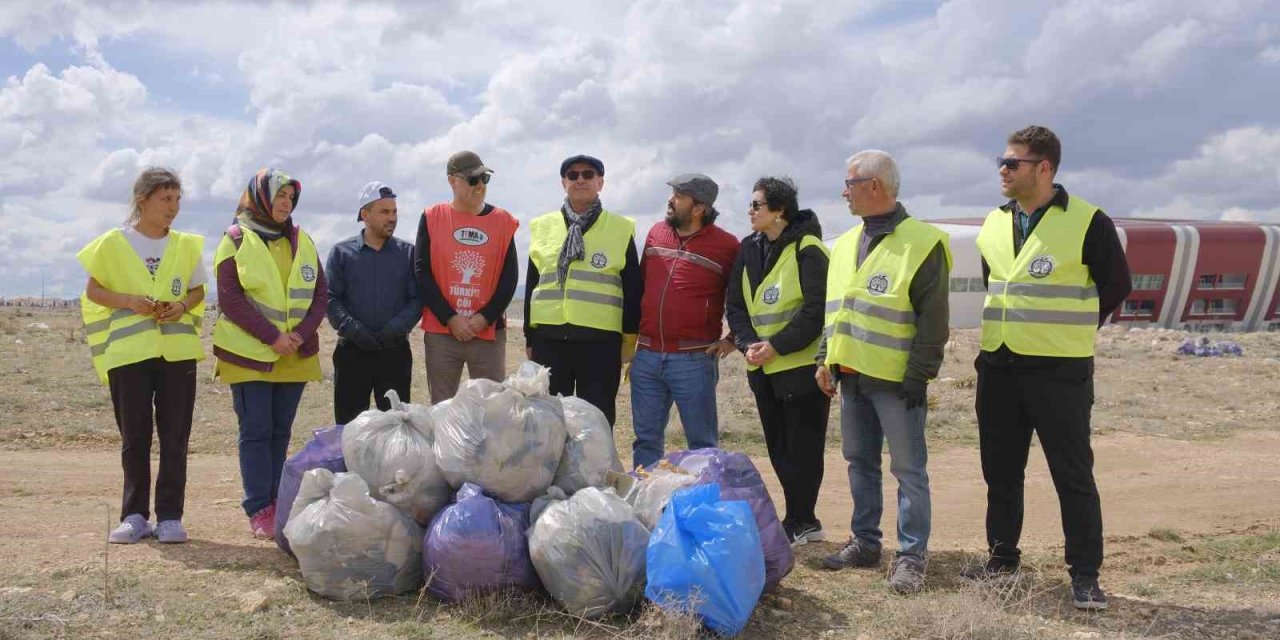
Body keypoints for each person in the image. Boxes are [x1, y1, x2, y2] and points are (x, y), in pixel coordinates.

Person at [962, 125, 1131, 611]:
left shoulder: (1088, 221)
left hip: (1059, 371)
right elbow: (999, 285)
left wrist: (1072, 329)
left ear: (1044, 168)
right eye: (1001, 161)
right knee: (1000, 471)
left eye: (1011, 163)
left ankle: (1085, 575)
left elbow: (1115, 286)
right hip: (999, 366)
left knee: (1072, 474)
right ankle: (1002, 559)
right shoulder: (993, 223)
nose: (1002, 169)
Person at [817, 150, 951, 595]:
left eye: (849, 183)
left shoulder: (922, 242)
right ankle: (866, 542)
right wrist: (826, 358)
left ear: (874, 186)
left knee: (909, 469)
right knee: (859, 463)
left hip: (896, 382)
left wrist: (920, 375)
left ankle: (911, 557)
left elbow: (933, 318)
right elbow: (835, 309)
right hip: (851, 375)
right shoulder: (844, 245)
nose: (843, 192)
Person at [77, 167, 206, 545]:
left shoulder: (185, 245)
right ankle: (134, 515)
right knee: (135, 436)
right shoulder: (114, 243)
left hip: (177, 354)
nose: (174, 207)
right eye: (166, 199)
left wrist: (182, 306)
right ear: (142, 200)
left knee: (175, 436)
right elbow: (94, 290)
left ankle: (169, 517)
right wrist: (130, 302)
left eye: (177, 199)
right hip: (129, 354)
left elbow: (198, 291)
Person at [212, 167, 328, 540]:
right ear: (260, 196)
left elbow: (319, 294)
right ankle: (259, 506)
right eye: (280, 195)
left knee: (280, 431)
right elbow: (231, 298)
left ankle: (278, 501)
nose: (286, 202)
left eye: (291, 197)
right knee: (256, 431)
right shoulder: (234, 239)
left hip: (294, 355)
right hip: (249, 356)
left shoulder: (302, 240)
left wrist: (299, 335)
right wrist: (272, 337)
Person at [725, 176, 830, 547]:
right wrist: (749, 344)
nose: (750, 211)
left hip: (800, 369)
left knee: (803, 448)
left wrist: (777, 346)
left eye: (757, 205)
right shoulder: (748, 249)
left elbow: (817, 310)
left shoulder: (808, 248)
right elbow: (736, 306)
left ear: (780, 210)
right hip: (762, 368)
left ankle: (804, 520)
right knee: (779, 449)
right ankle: (797, 518)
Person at [524, 154, 642, 426]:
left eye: (588, 174)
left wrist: (628, 341)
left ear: (600, 182)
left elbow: (632, 289)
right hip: (550, 340)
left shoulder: (620, 229)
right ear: (563, 183)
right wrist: (531, 339)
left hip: (600, 343)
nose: (580, 180)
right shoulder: (541, 227)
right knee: (549, 422)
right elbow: (533, 284)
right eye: (573, 175)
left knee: (597, 421)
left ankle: (596, 470)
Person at [630, 173, 739, 470]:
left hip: (694, 360)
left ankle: (700, 508)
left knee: (702, 444)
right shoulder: (655, 233)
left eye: (679, 196)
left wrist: (733, 339)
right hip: (647, 357)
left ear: (698, 208)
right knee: (646, 440)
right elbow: (640, 287)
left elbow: (740, 298)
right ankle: (646, 505)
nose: (670, 200)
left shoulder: (727, 246)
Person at [414, 151, 519, 403]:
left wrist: (485, 317)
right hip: (442, 332)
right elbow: (421, 270)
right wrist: (450, 318)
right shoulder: (432, 217)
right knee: (442, 407)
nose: (480, 185)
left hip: (488, 332)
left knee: (492, 409)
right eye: (473, 179)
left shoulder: (503, 221)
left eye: (485, 178)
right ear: (453, 181)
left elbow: (510, 277)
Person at [325, 181, 421, 424]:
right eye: (384, 211)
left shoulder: (408, 254)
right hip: (352, 354)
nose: (392, 218)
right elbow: (331, 298)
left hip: (394, 354)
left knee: (396, 428)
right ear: (365, 215)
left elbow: (417, 299)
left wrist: (394, 330)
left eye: (394, 211)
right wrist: (355, 331)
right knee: (349, 427)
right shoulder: (341, 253)